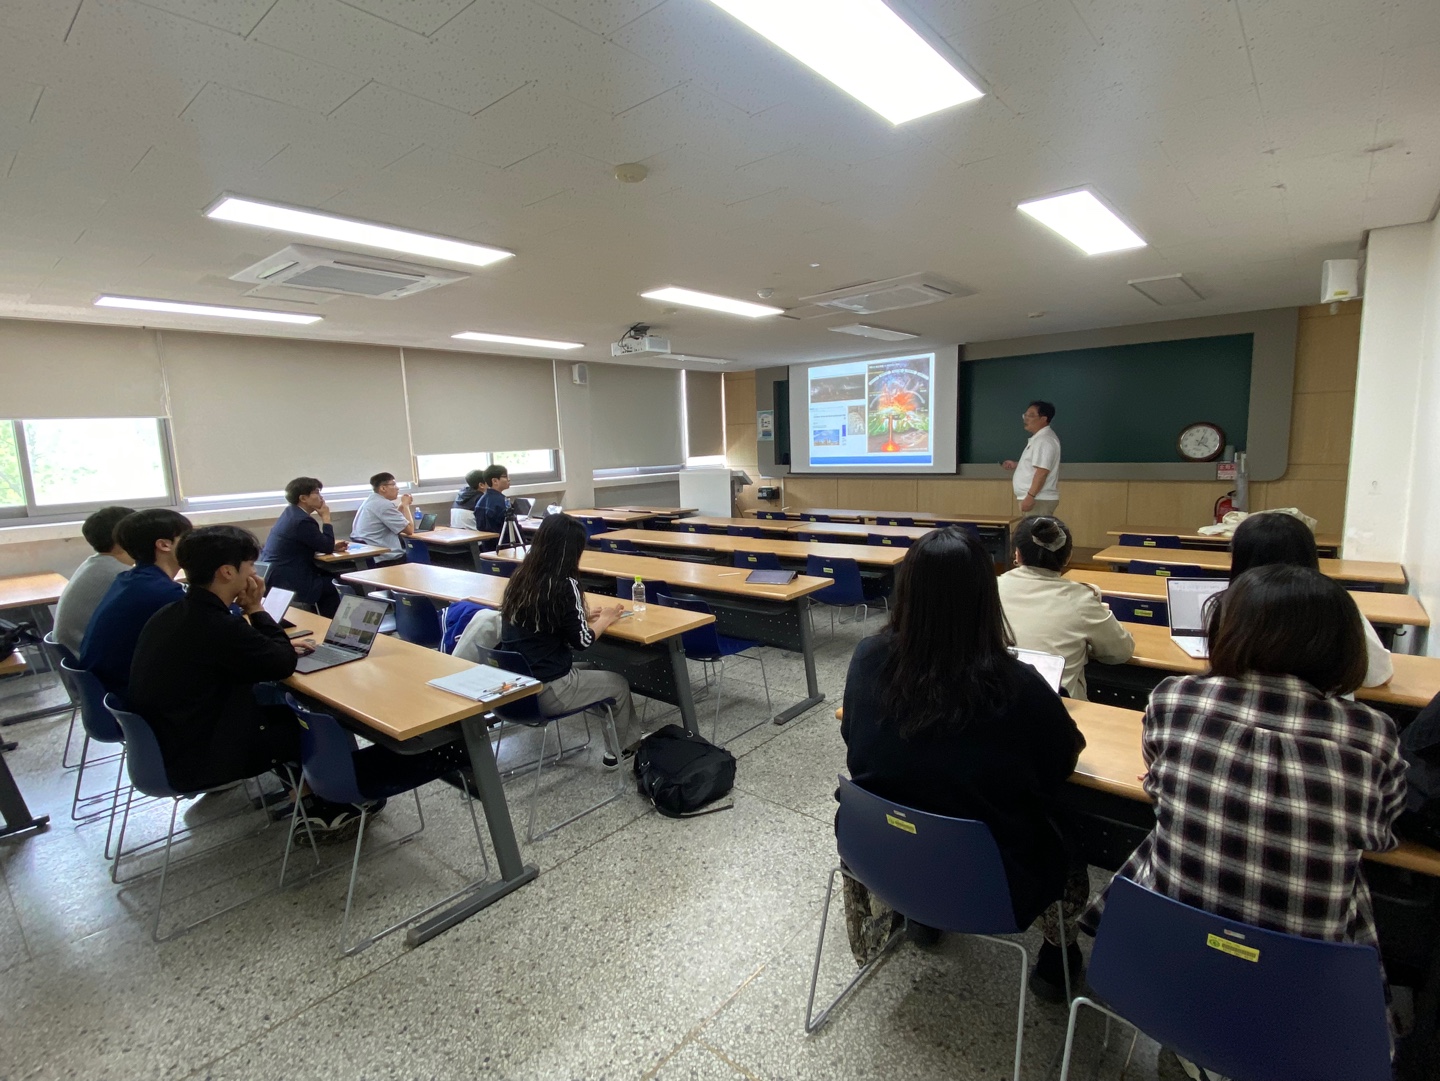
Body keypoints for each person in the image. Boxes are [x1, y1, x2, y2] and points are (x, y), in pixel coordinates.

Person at [1082, 565, 1407, 1049]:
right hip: (1306, 997)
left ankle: (1190, 1049)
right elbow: (1381, 832)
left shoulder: (1174, 699)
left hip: (1162, 959)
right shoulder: (1373, 734)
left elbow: (1156, 779)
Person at [841, 526, 1089, 1000]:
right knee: (1072, 828)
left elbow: (852, 736)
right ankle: (1058, 956)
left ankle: (922, 913)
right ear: (985, 599)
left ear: (906, 591)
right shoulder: (1018, 685)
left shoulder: (868, 658)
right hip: (993, 882)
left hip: (883, 854)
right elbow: (1061, 761)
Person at [499, 513, 638, 768]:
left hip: (517, 686)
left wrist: (578, 616)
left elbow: (540, 623)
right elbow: (582, 642)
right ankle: (621, 751)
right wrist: (605, 619)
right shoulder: (565, 583)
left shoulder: (521, 577)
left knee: (594, 669)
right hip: (548, 690)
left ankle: (616, 731)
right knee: (618, 684)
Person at [1229, 510, 1393, 687]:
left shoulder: (1229, 605)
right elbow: (1381, 675)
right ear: (1309, 554)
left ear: (1239, 559)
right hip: (1321, 703)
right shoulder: (1333, 603)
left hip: (1243, 700)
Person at [998, 516, 1134, 700]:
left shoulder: (990, 588)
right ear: (1068, 556)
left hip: (994, 703)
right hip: (1057, 709)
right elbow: (1120, 652)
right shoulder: (1081, 598)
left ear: (1017, 554)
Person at [78, 508, 191, 691]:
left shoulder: (127, 579)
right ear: (164, 545)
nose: (194, 544)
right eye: (187, 538)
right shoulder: (162, 592)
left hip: (104, 688)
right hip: (125, 692)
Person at [53, 505, 135, 655]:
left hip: (77, 652)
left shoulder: (96, 563)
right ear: (123, 539)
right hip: (90, 657)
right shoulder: (120, 574)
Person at [261, 477, 344, 617]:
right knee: (336, 584)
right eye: (316, 492)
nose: (321, 497)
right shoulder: (302, 520)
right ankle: (328, 624)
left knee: (331, 576)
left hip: (277, 574)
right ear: (303, 498)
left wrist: (330, 546)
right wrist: (326, 518)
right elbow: (327, 547)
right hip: (290, 579)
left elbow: (308, 542)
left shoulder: (290, 513)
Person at [1002, 400, 1061, 517]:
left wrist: (1030, 496)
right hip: (1035, 499)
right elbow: (1038, 465)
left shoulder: (1044, 440)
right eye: (1025, 415)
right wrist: (1018, 465)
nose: (1026, 419)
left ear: (1043, 419)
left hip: (1038, 499)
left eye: (1031, 415)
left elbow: (1042, 472)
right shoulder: (1038, 439)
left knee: (1036, 529)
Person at [351, 471, 414, 560]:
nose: (397, 488)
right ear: (383, 488)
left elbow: (392, 520)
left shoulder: (371, 500)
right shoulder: (383, 505)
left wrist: (401, 506)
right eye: (393, 484)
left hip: (371, 555)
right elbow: (409, 530)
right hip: (385, 557)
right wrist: (406, 506)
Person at [474, 464, 510, 536]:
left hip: (486, 541)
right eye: (505, 476)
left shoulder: (481, 500)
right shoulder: (502, 501)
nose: (509, 479)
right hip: (503, 540)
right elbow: (512, 527)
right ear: (495, 481)